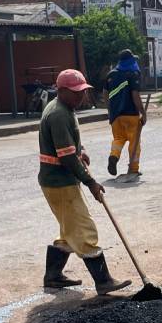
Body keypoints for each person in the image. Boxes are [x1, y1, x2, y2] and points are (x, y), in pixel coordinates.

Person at [38, 68, 131, 295]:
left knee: (68, 231)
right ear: (61, 91)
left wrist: (82, 149)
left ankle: (53, 276)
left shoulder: (64, 108)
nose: (81, 97)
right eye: (75, 93)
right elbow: (67, 156)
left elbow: (70, 146)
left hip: (58, 180)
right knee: (84, 230)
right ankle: (103, 281)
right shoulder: (59, 114)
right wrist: (90, 182)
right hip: (60, 182)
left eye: (82, 92)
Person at [104, 49, 146, 181]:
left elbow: (105, 94)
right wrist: (143, 113)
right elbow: (135, 96)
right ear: (130, 61)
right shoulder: (132, 74)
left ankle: (114, 156)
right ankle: (133, 169)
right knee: (134, 142)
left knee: (118, 139)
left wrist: (110, 110)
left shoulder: (110, 75)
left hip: (115, 116)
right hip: (131, 115)